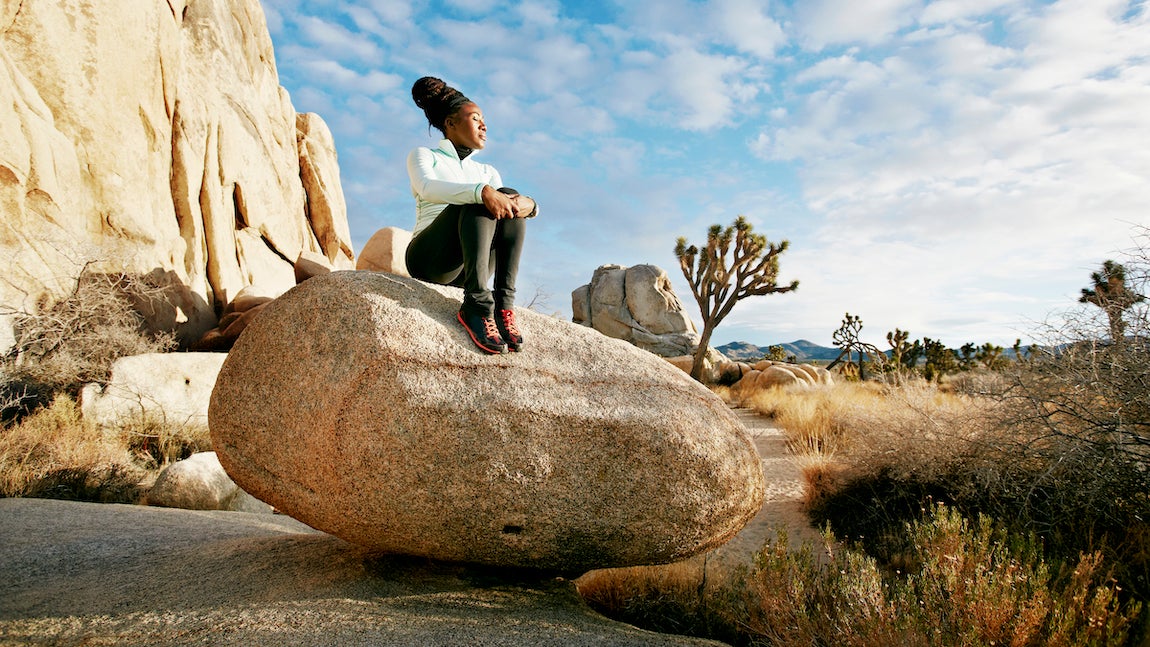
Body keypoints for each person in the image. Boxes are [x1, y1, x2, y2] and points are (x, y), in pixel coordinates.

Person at [405, 76, 537, 354]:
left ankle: (503, 307)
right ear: (450, 124)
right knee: (480, 197)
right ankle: (476, 307)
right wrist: (480, 192)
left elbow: (504, 208)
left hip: (470, 268)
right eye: (475, 118)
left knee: (505, 193)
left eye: (483, 119)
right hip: (432, 260)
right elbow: (426, 188)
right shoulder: (424, 156)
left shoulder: (487, 171)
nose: (484, 125)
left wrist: (531, 205)